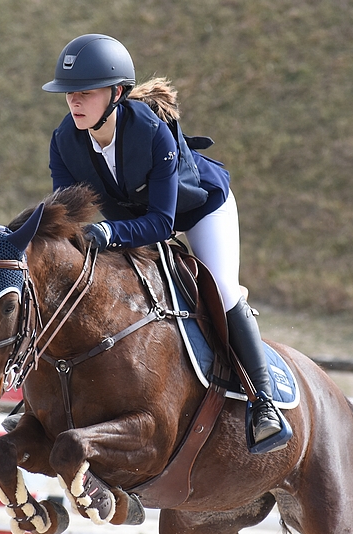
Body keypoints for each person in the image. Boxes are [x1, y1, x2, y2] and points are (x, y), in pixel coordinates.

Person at [43, 33, 291, 454]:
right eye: (69, 94)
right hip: (134, 221)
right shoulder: (65, 140)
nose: (74, 102)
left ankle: (263, 403)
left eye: (84, 93)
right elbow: (69, 215)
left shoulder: (151, 133)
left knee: (224, 289)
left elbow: (160, 223)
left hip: (198, 210)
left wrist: (109, 233)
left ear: (116, 93)